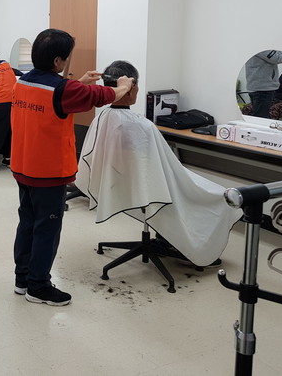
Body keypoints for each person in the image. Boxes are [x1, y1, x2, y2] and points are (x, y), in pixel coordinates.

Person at [75, 60, 242, 266]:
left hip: (123, 183)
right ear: (131, 87)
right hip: (148, 187)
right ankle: (194, 247)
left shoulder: (101, 118)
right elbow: (168, 169)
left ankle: (169, 239)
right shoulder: (143, 126)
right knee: (217, 193)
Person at [10, 29, 133, 306]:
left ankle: (23, 279)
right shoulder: (62, 90)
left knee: (28, 223)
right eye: (66, 57)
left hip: (23, 167)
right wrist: (124, 86)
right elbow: (102, 96)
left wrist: (79, 82)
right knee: (47, 230)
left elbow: (56, 97)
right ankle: (38, 287)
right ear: (57, 61)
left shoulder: (22, 82)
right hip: (48, 173)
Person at [244, 50, 282, 118]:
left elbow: (270, 59)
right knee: (261, 118)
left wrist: (281, 59)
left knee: (258, 117)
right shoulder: (261, 46)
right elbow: (276, 58)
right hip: (262, 89)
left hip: (259, 87)